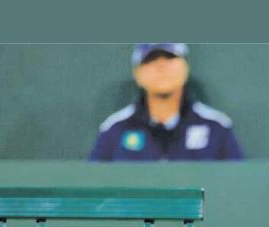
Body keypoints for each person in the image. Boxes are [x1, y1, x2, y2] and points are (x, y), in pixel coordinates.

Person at [89, 43, 244, 161]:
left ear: (185, 67)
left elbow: (236, 187)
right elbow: (94, 189)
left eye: (170, 57)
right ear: (137, 74)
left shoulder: (217, 128)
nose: (161, 66)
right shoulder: (115, 130)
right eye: (150, 60)